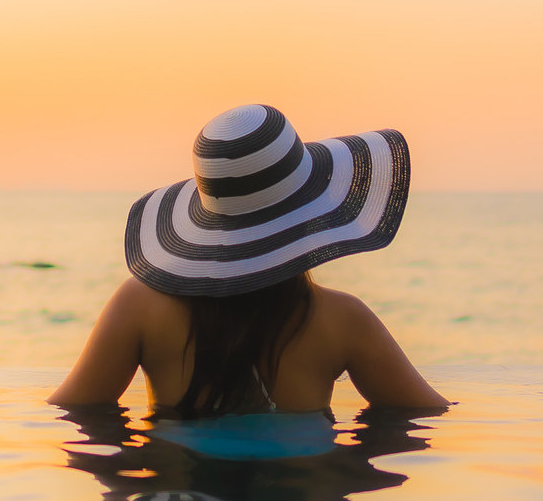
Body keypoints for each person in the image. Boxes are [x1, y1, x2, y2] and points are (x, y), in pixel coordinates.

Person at [50, 105, 449, 415]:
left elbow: (75, 411)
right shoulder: (342, 321)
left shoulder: (139, 307)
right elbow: (423, 413)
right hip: (292, 491)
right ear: (311, 208)